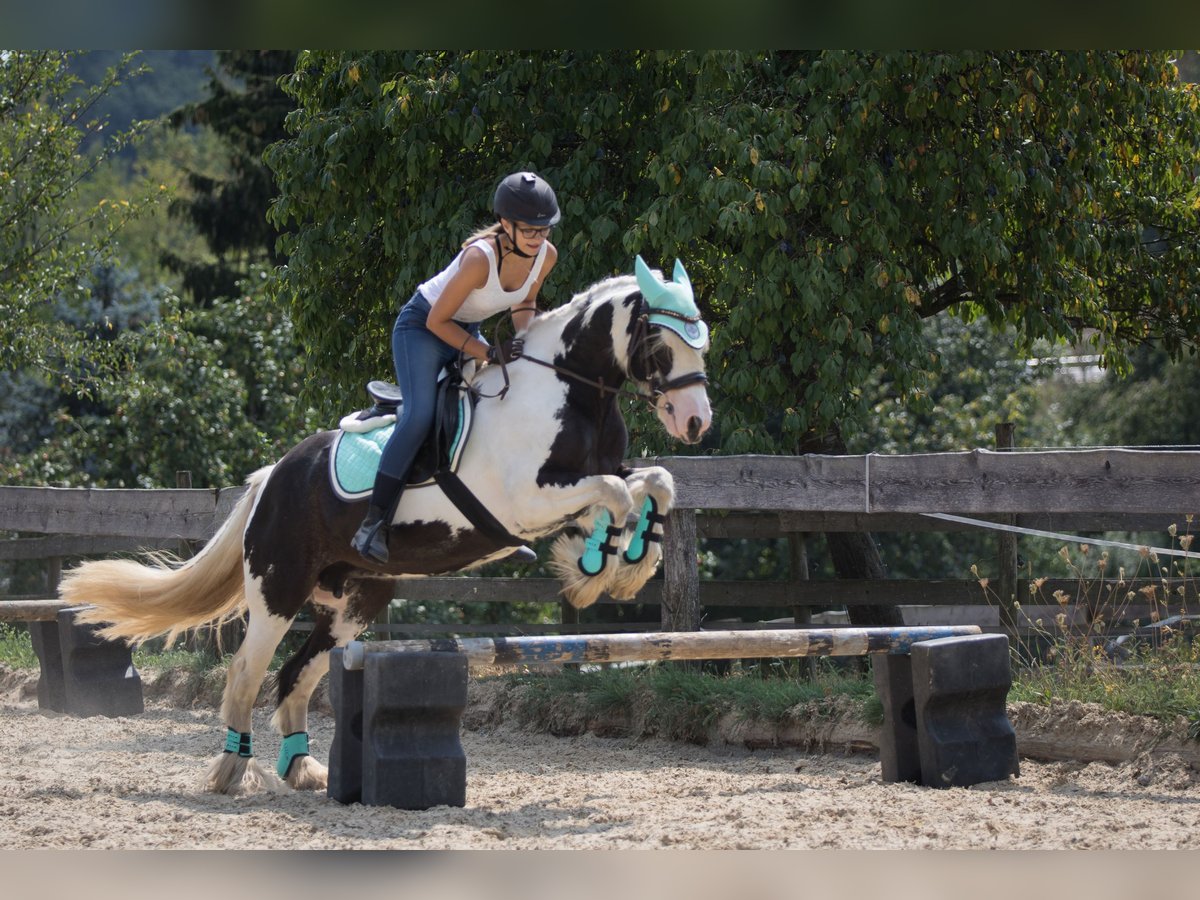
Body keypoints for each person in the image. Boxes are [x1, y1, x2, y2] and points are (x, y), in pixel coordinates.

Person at [352, 171, 561, 564]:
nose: (538, 238)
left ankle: (500, 528)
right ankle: (373, 524)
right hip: (422, 329)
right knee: (420, 418)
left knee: (500, 407)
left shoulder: (545, 256)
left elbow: (524, 304)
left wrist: (528, 345)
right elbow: (436, 322)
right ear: (506, 224)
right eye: (530, 230)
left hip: (465, 328)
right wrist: (484, 352)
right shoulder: (479, 259)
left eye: (544, 230)